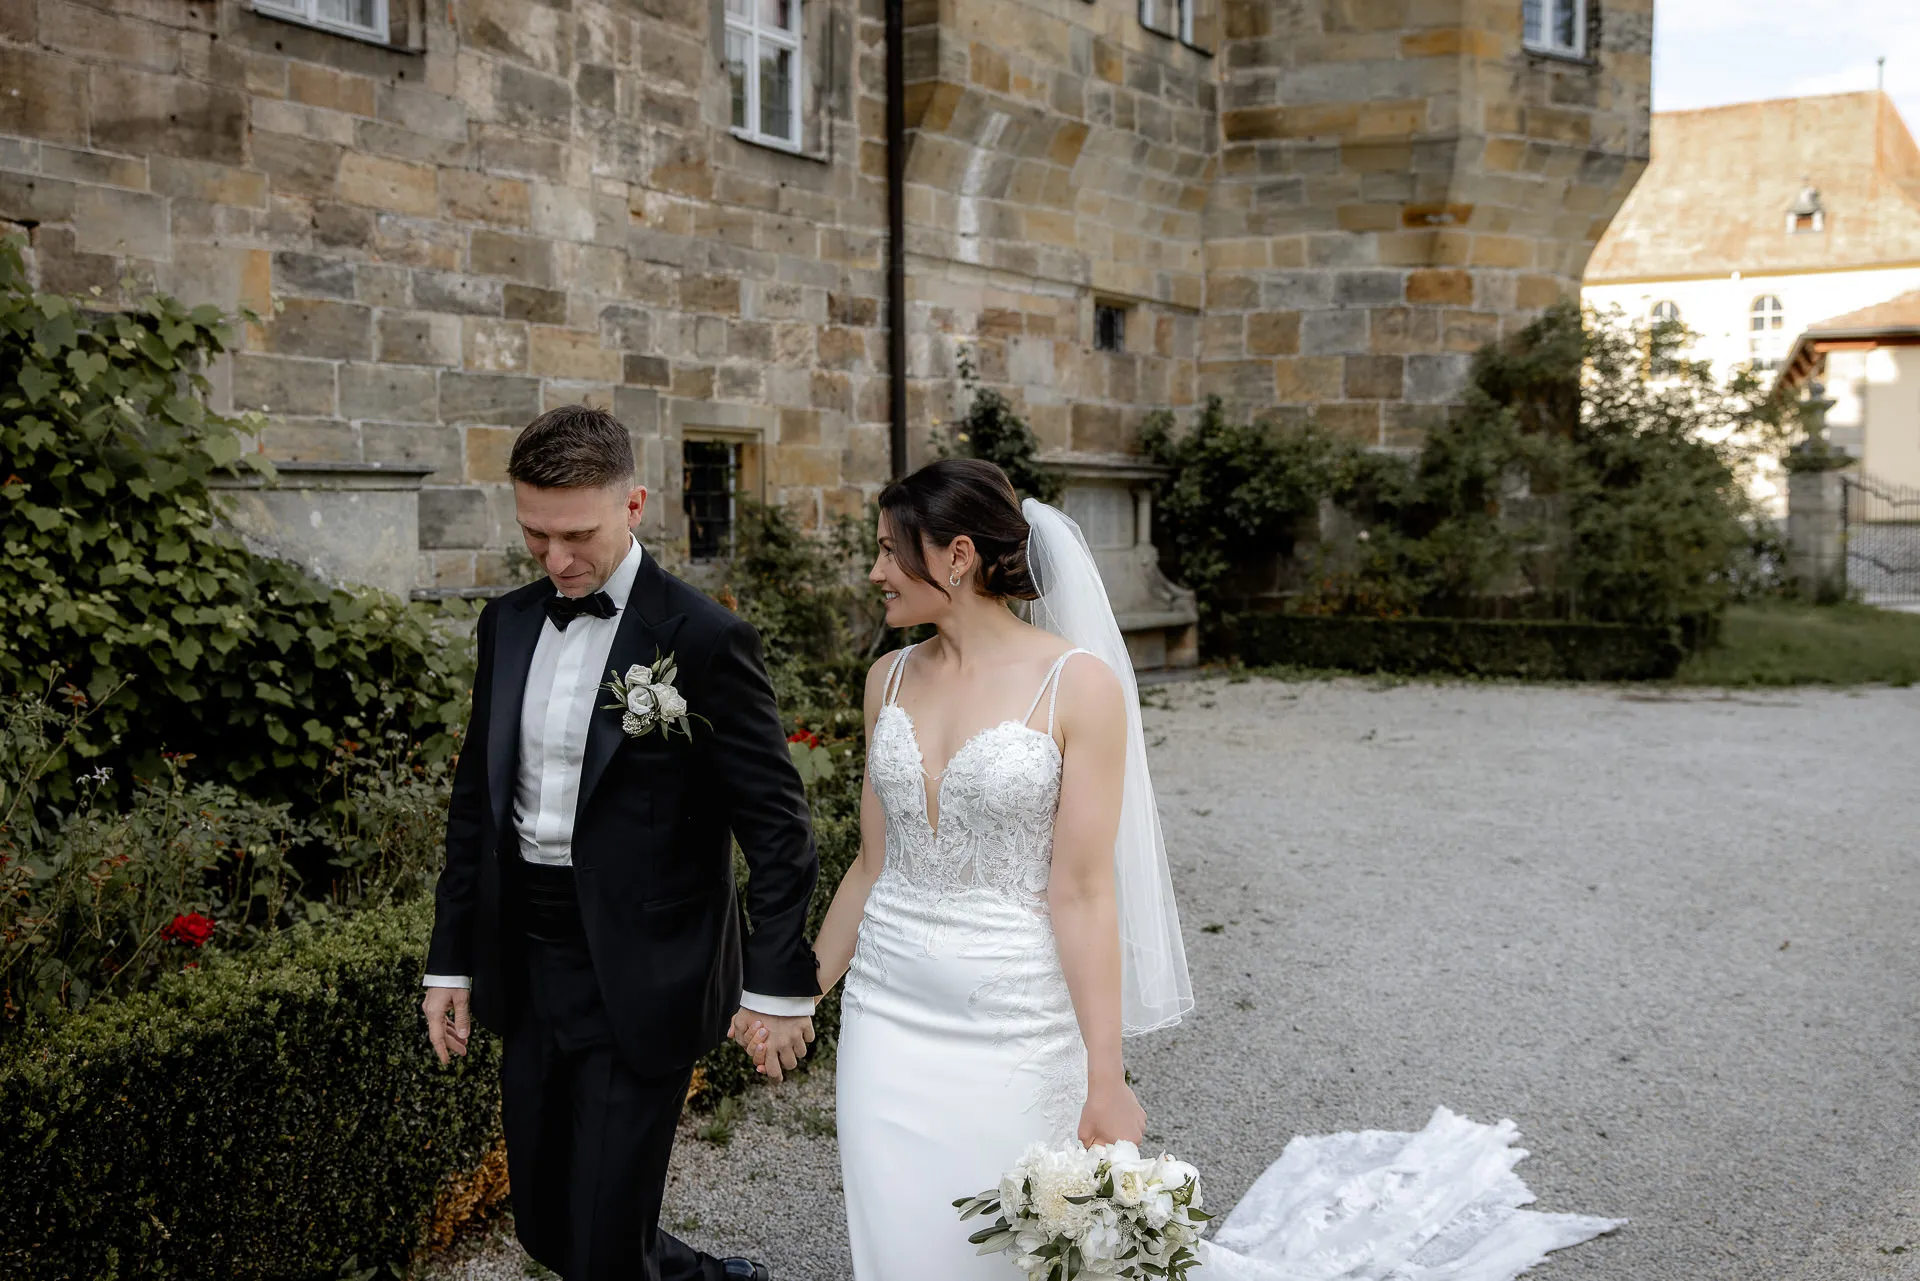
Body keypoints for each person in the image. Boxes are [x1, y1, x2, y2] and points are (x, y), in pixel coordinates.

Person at [736, 457, 1625, 1280]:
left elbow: (1082, 891)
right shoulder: (886, 679)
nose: (875, 570)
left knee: (996, 1250)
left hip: (1008, 1026)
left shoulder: (1075, 685)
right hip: (888, 1022)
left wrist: (1105, 1073)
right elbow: (871, 866)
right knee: (897, 1238)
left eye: (891, 551)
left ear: (958, 556)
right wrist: (791, 995)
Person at [421, 405, 820, 1281]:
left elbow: (780, 830)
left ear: (634, 504)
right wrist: (449, 962)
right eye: (534, 536)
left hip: (648, 968)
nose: (556, 561)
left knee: (602, 1243)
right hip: (525, 960)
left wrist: (780, 979)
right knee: (545, 1226)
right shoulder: (508, 623)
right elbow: (474, 807)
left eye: (576, 536)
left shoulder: (706, 640)